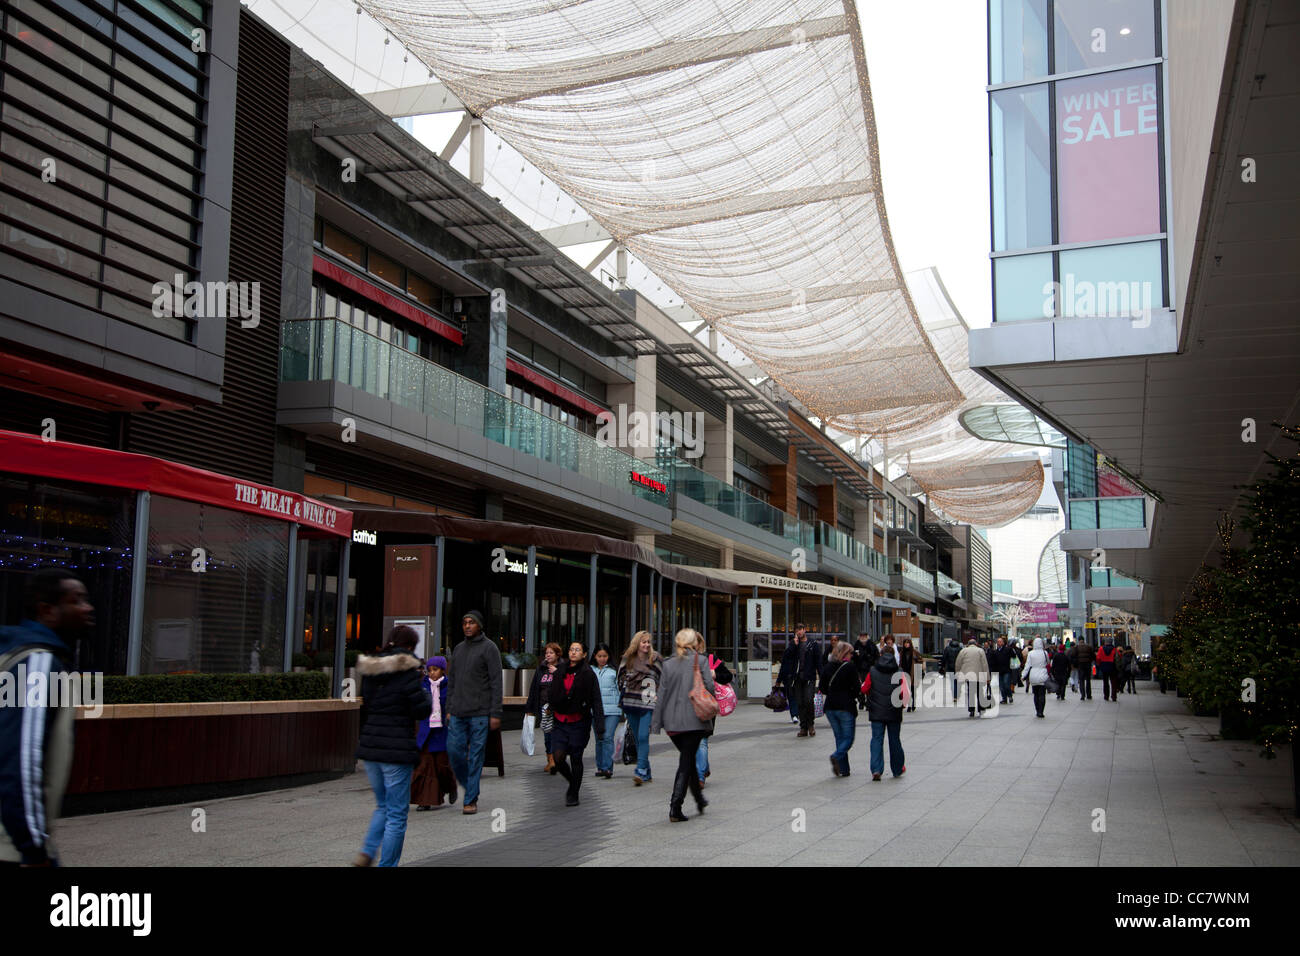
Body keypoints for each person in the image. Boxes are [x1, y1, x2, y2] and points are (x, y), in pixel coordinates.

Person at [0, 568, 93, 867]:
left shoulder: (17, 656)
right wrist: (35, 848)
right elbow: (22, 760)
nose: (87, 608)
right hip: (12, 849)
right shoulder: (37, 664)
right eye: (76, 600)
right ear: (47, 611)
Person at [354, 625, 433, 866]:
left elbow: (367, 703)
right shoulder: (409, 671)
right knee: (397, 814)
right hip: (397, 749)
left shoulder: (370, 670)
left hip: (371, 746)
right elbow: (421, 709)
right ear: (410, 646)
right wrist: (426, 693)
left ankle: (367, 851)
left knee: (383, 806)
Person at [651, 629, 715, 822]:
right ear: (694, 642)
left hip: (672, 723)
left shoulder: (668, 664)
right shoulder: (700, 661)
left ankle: (699, 799)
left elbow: (661, 694)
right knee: (686, 762)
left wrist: (656, 723)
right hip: (694, 720)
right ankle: (675, 806)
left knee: (687, 759)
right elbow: (709, 688)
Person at [446, 610, 503, 815]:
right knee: (454, 752)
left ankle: (470, 798)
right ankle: (468, 785)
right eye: (464, 623)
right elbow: (451, 681)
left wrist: (495, 713)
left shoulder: (490, 648)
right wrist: (449, 708)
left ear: (479, 625)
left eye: (471, 622)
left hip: (480, 713)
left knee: (476, 756)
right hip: (458, 712)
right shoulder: (459, 649)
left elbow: (497, 682)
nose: (467, 626)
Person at [547, 641, 603, 807]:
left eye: (577, 650)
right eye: (571, 649)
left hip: (579, 721)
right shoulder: (560, 671)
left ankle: (573, 792)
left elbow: (596, 700)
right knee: (558, 757)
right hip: (560, 721)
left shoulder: (588, 674)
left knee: (576, 758)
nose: (573, 652)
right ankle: (573, 781)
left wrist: (600, 726)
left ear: (584, 654)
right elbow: (552, 692)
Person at [616, 630, 661, 785]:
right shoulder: (627, 659)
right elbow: (620, 678)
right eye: (644, 642)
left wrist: (658, 694)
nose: (647, 645)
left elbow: (664, 679)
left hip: (648, 703)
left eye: (649, 642)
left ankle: (640, 770)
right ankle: (646, 770)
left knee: (643, 737)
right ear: (637, 643)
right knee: (637, 738)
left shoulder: (655, 659)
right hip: (630, 702)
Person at [412, 656, 456, 810]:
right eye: (429, 670)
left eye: (435, 670)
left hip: (443, 731)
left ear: (443, 670)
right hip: (426, 731)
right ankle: (424, 800)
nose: (432, 673)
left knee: (442, 766)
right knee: (424, 766)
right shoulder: (422, 685)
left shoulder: (450, 686)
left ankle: (450, 786)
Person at [861, 646, 906, 780]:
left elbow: (864, 689)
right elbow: (904, 693)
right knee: (895, 740)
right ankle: (897, 769)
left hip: (876, 711)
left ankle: (876, 769)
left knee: (876, 740)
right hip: (894, 711)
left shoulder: (872, 671)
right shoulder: (899, 671)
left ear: (880, 655)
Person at [821, 641, 860, 776]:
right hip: (845, 706)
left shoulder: (827, 667)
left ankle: (843, 769)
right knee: (848, 738)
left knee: (839, 737)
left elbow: (822, 687)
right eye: (850, 653)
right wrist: (849, 694)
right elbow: (857, 689)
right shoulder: (850, 668)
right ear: (844, 653)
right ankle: (837, 756)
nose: (852, 656)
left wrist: (833, 692)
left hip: (830, 707)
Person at [524, 642, 563, 774]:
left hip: (558, 707)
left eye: (551, 653)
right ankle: (550, 760)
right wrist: (530, 708)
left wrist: (557, 673)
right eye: (546, 653)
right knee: (547, 734)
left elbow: (567, 685)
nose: (548, 655)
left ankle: (556, 760)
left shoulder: (563, 667)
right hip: (543, 707)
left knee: (556, 734)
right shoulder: (541, 668)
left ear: (557, 654)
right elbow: (534, 688)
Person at [696, 653, 733, 784]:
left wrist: (715, 675)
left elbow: (728, 676)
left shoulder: (710, 660)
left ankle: (700, 776)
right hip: (688, 706)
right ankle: (703, 767)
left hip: (707, 706)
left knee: (702, 741)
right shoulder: (682, 662)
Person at [591, 644, 622, 778]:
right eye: (599, 656)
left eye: (605, 656)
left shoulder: (615, 671)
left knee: (608, 737)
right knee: (599, 738)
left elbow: (620, 690)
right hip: (595, 711)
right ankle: (600, 767)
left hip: (613, 710)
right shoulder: (590, 670)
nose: (602, 659)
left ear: (609, 656)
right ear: (594, 656)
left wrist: (624, 708)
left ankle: (608, 768)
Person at [793, 624, 822, 738]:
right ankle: (803, 727)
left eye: (800, 629)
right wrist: (794, 646)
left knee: (808, 701)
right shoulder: (794, 644)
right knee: (800, 702)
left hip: (809, 676)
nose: (799, 632)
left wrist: (821, 676)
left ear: (804, 630)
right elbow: (787, 657)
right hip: (797, 678)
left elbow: (818, 661)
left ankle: (810, 725)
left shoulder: (813, 644)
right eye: (797, 630)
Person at [955, 637, 991, 718]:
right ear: (976, 644)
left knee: (971, 692)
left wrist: (958, 672)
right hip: (979, 675)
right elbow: (985, 665)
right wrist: (987, 677)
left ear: (968, 644)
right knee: (980, 692)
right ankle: (980, 708)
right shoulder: (980, 651)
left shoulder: (963, 651)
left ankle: (971, 710)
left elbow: (958, 662)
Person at [777, 630, 803, 724]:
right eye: (795, 639)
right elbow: (784, 666)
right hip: (791, 677)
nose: (796, 641)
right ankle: (795, 715)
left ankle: (795, 715)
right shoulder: (791, 651)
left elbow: (784, 666)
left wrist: (779, 679)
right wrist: (779, 679)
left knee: (793, 697)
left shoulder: (799, 650)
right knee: (793, 696)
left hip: (794, 677)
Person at [1022, 637, 1051, 718]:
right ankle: (1041, 711)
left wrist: (1023, 675)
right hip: (1042, 674)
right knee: (1042, 694)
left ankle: (1037, 710)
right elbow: (1048, 662)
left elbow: (1027, 666)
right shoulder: (1045, 653)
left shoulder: (1031, 653)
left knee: (1036, 694)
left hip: (1033, 675)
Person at [852, 632, 878, 711]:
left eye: (864, 636)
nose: (863, 638)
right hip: (859, 668)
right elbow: (853, 656)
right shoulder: (856, 644)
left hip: (869, 668)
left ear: (867, 637)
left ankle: (868, 702)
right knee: (860, 686)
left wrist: (867, 657)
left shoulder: (871, 645)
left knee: (869, 686)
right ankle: (861, 701)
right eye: (861, 636)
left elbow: (875, 656)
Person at [898, 637, 919, 713]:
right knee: (907, 690)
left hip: (913, 674)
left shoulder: (914, 652)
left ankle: (913, 703)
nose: (906, 644)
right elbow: (899, 663)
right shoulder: (901, 652)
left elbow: (920, 660)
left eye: (908, 643)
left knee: (913, 690)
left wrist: (916, 659)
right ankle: (909, 705)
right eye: (905, 643)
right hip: (904, 673)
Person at [1096, 637, 1120, 702]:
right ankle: (1114, 696)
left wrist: (1099, 664)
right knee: (1113, 682)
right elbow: (1119, 657)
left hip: (1104, 667)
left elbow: (1098, 658)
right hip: (1113, 667)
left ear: (1105, 642)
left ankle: (1106, 696)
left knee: (1105, 682)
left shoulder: (1101, 649)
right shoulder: (1115, 650)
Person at [940, 635, 962, 704]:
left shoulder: (947, 648)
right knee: (958, 682)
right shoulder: (960, 648)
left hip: (950, 668)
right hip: (958, 668)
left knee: (952, 682)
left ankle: (954, 696)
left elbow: (944, 658)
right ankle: (957, 694)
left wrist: (942, 666)